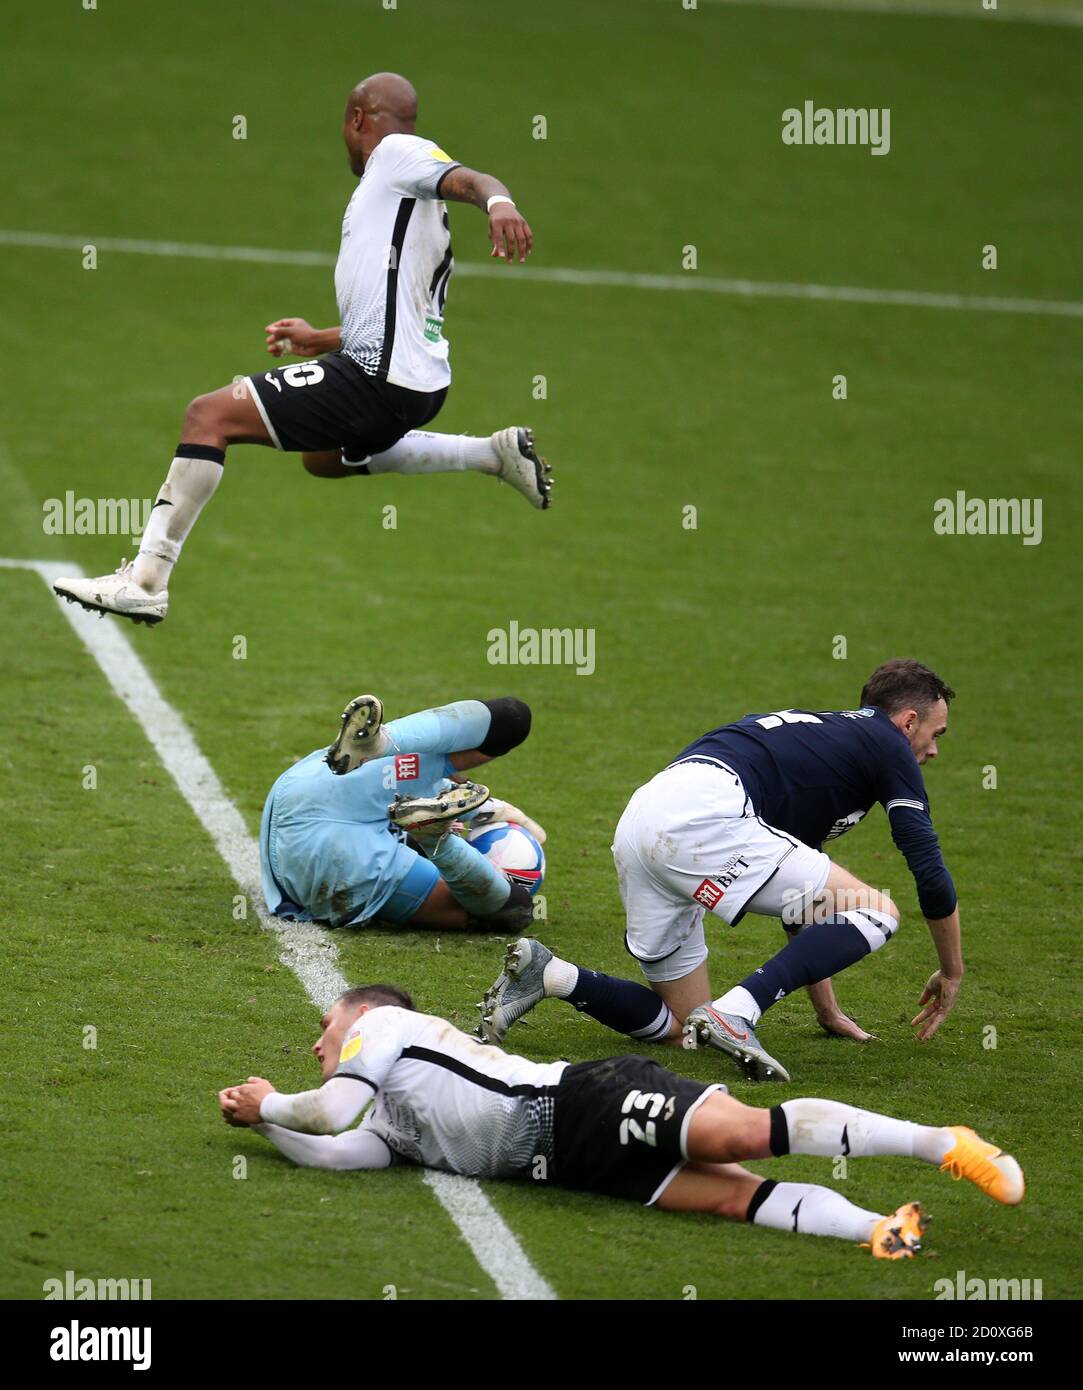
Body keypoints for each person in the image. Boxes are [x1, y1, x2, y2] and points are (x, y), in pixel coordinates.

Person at [53, 72, 551, 626]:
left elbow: (471, 178)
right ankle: (490, 453)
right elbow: (404, 316)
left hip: (377, 379)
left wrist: (499, 202)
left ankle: (146, 580)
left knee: (209, 415)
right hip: (416, 383)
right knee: (324, 458)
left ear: (357, 119)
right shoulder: (409, 208)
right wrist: (320, 340)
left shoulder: (397, 154)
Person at [217, 984, 1023, 1259]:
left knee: (743, 1132)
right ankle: (879, 1229)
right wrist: (264, 1130)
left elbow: (328, 1109)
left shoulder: (383, 1028)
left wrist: (268, 1103)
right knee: (730, 1196)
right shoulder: (389, 1120)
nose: (318, 1040)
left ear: (361, 1014)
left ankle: (942, 1142)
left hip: (582, 1100)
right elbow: (332, 1150)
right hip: (567, 1163)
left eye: (327, 1024)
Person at [479, 659, 961, 1082]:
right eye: (935, 734)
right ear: (908, 721)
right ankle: (736, 1012)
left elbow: (802, 901)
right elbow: (929, 869)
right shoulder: (885, 743)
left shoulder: (824, 747)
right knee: (878, 911)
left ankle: (553, 976)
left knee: (683, 1029)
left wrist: (828, 1010)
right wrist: (952, 970)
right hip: (703, 813)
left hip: (646, 814)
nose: (933, 751)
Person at [260, 693, 544, 930]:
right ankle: (437, 841)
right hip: (326, 858)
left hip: (307, 784)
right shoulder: (397, 839)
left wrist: (487, 809)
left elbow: (445, 783)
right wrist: (486, 811)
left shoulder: (407, 773)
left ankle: (383, 740)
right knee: (514, 909)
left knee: (514, 718)